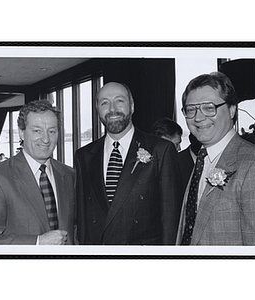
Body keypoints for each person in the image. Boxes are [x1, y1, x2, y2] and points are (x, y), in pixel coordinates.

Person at [75, 82, 183, 245]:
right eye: (104, 102)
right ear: (97, 109)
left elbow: (171, 218)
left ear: (132, 106)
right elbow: (83, 220)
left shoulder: (161, 150)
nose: (112, 109)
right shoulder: (84, 156)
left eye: (119, 101)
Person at [176, 72, 255, 246]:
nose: (198, 117)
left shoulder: (254, 164)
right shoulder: (201, 159)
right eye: (191, 109)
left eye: (209, 107)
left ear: (232, 109)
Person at [0, 100, 76, 245]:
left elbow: (76, 229)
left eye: (52, 131)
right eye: (37, 131)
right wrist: (37, 243)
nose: (46, 139)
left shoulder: (70, 175)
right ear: (21, 133)